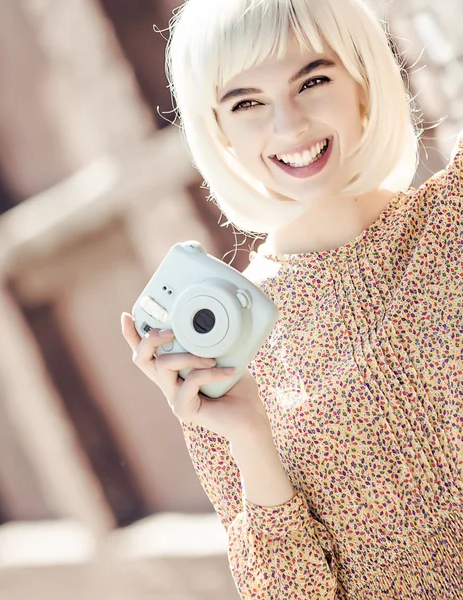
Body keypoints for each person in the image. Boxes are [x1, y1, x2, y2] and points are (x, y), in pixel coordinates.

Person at [121, 0, 463, 597]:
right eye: (247, 102)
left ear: (362, 79)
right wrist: (248, 433)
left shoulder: (452, 217)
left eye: (313, 80)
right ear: (218, 129)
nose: (290, 126)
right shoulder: (227, 350)